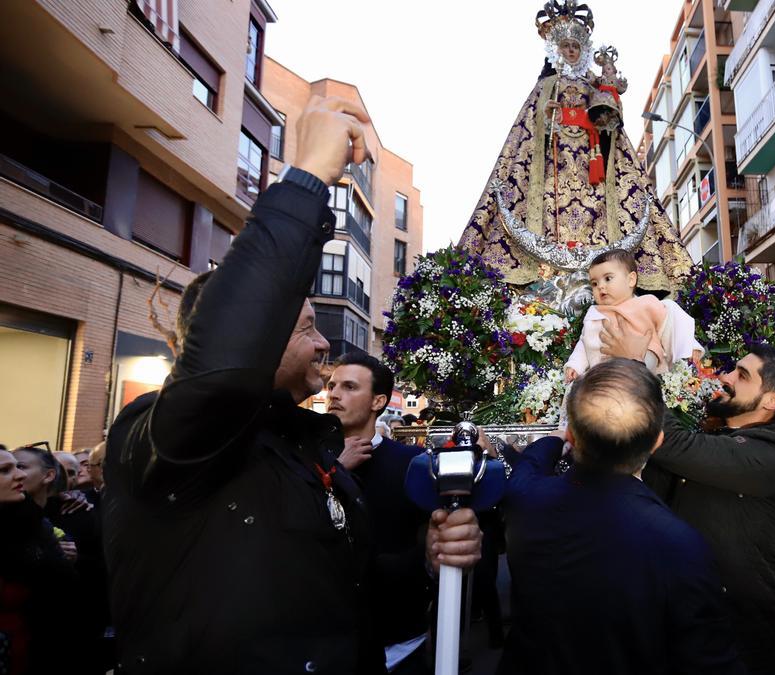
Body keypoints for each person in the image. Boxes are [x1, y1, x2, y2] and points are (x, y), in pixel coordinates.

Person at [103, 96, 482, 674]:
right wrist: (305, 178)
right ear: (259, 333)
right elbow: (228, 365)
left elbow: (335, 581)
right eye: (307, 327)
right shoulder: (173, 443)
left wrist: (428, 561)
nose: (326, 346)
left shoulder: (299, 446)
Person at [500, 358, 743, 674]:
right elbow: (710, 660)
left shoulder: (526, 497)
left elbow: (530, 462)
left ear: (573, 436)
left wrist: (557, 438)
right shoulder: (678, 543)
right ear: (657, 441)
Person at [459, 1, 691, 292]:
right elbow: (529, 126)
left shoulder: (592, 84)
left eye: (575, 46)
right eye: (566, 45)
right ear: (557, 49)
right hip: (552, 164)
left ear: (583, 51)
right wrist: (547, 116)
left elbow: (609, 113)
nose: (570, 51)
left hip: (591, 161)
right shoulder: (546, 85)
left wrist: (607, 102)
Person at [633, 345, 775, 674]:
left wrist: (647, 372)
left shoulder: (773, 454)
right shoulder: (714, 438)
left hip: (734, 635)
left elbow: (669, 442)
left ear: (772, 401)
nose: (724, 378)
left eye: (741, 375)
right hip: (677, 619)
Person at [327, 352, 433, 674]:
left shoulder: (411, 462)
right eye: (332, 385)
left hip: (399, 643)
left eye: (348, 387)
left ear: (378, 401)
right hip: (329, 640)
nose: (333, 394)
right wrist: (335, 472)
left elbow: (432, 541)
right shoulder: (306, 458)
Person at [0, 449, 84, 675]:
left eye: (19, 467)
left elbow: (65, 587)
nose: (19, 476)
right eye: (5, 470)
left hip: (30, 655)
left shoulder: (32, 521)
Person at [564, 249, 702, 381]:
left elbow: (672, 321)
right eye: (594, 283)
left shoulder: (646, 303)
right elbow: (585, 342)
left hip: (644, 357)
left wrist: (690, 346)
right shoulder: (594, 314)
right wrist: (575, 365)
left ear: (631, 279)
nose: (600, 286)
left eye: (608, 278)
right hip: (604, 371)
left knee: (638, 375)